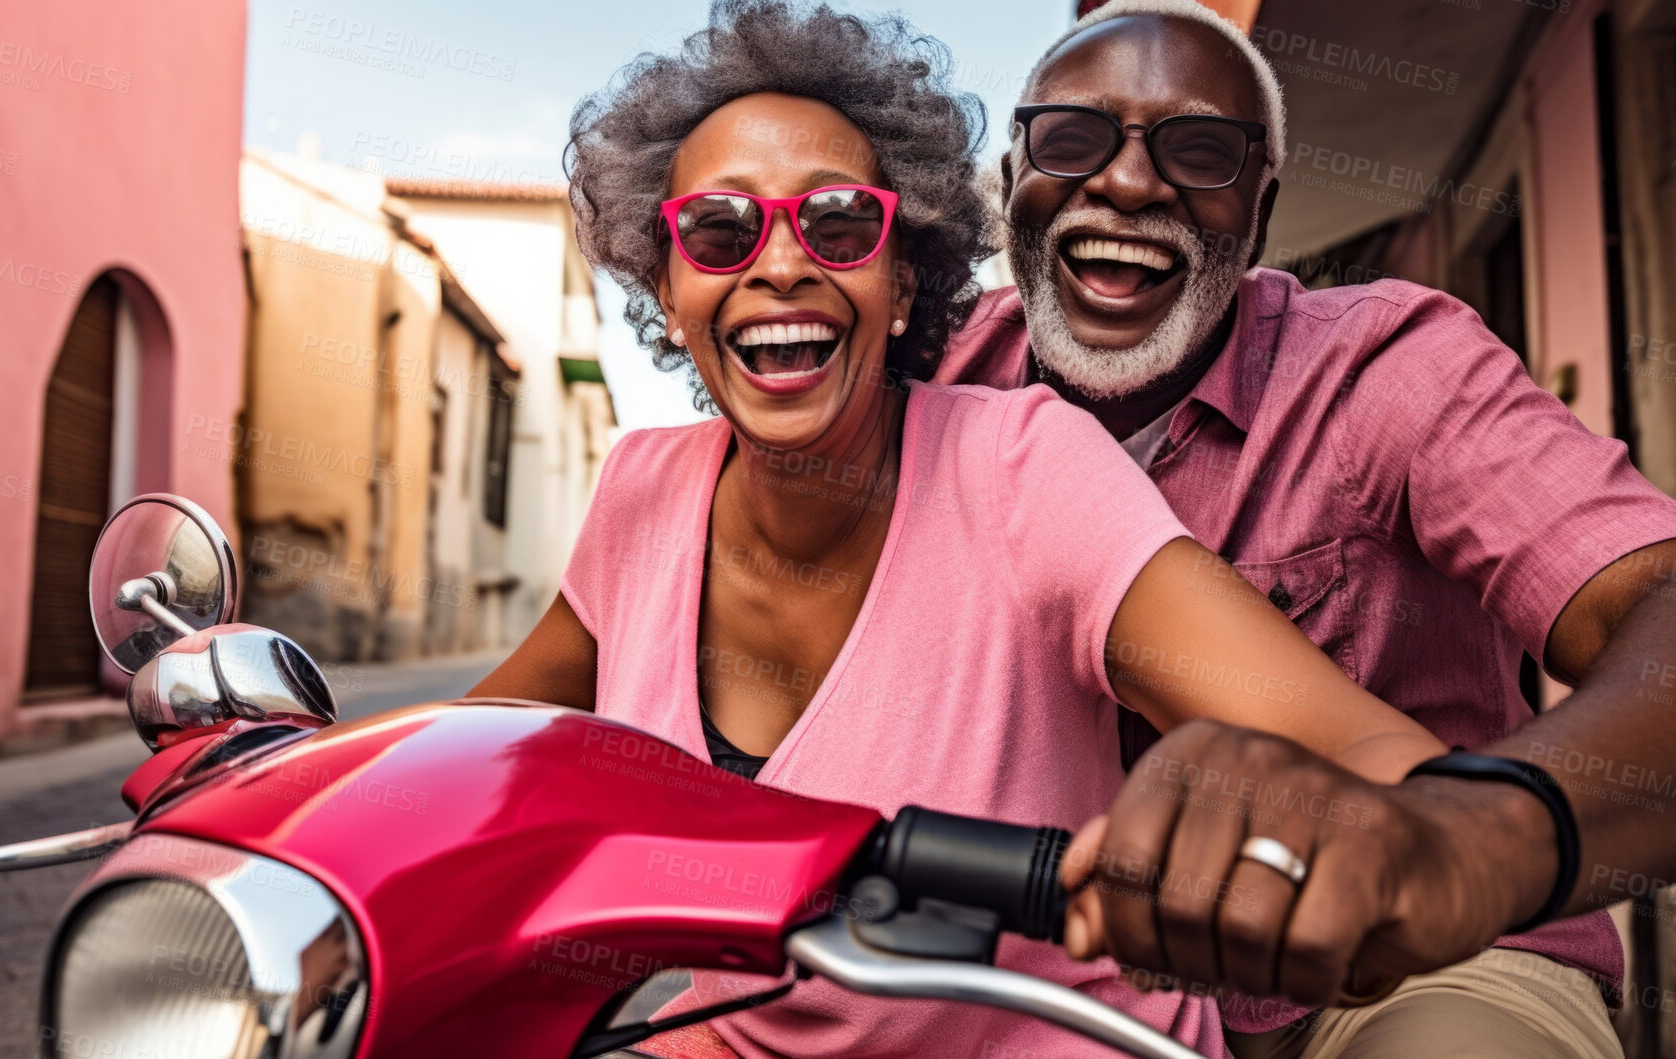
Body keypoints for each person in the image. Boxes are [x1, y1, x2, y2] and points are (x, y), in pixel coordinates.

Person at [470, 2, 1453, 1056]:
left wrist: (1271, 810)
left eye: (839, 223)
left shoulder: (1023, 470)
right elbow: (468, 755)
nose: (781, 263)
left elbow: (1369, 753)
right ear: (668, 291)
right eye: (720, 230)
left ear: (901, 281)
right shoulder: (639, 497)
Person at [937, 1, 1676, 1056]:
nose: (1128, 182)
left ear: (1261, 209)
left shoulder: (1385, 371)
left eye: (1198, 150)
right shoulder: (931, 388)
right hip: (1039, 986)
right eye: (1070, 138)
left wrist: (1465, 836)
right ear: (1013, 181)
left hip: (1404, 966)